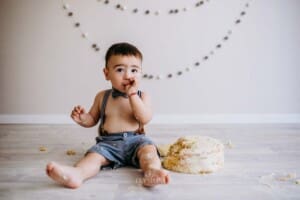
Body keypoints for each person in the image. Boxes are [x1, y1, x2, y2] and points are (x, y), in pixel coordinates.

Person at [46, 42, 170, 188]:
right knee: (93, 158)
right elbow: (93, 118)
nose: (128, 76)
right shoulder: (102, 97)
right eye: (120, 70)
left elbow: (145, 118)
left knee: (149, 154)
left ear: (141, 73)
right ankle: (77, 174)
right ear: (107, 73)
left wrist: (132, 95)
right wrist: (83, 119)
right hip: (108, 144)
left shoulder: (143, 96)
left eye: (134, 70)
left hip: (137, 141)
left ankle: (152, 172)